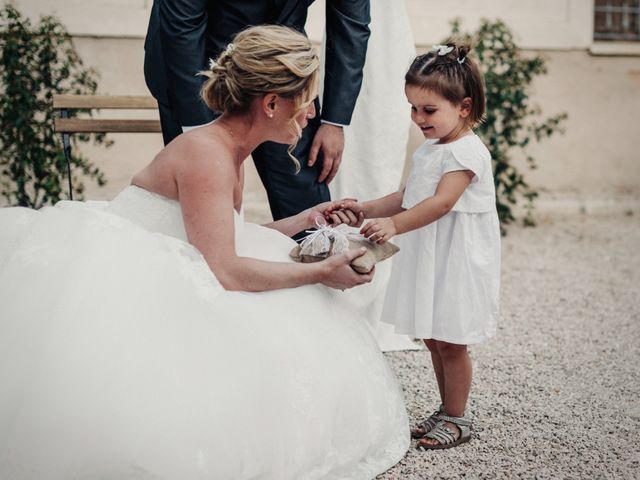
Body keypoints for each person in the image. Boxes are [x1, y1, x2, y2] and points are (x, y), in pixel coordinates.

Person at [0, 26, 409, 478]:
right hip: (129, 281)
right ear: (271, 103)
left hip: (181, 261)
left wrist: (302, 220)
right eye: (308, 99)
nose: (313, 111)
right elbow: (225, 270)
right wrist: (322, 272)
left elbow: (217, 234)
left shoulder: (228, 148)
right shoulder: (206, 155)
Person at [329, 43, 501, 449]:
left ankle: (458, 418)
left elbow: (440, 203)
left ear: (463, 107)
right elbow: (408, 196)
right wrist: (364, 208)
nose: (418, 118)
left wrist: (393, 225)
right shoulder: (431, 148)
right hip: (432, 252)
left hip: (456, 256)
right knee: (433, 336)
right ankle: (446, 409)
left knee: (452, 339)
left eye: (428, 110)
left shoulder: (466, 152)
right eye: (413, 108)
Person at [143, 0, 371, 223]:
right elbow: (182, 24)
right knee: (198, 210)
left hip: (283, 73)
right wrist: (201, 139)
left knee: (307, 208)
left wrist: (334, 121)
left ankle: (317, 260)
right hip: (196, 68)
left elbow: (350, 24)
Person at [326, 0, 418, 352]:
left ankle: (368, 291)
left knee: (377, 159)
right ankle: (331, 277)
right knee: (346, 169)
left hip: (384, 57)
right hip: (345, 57)